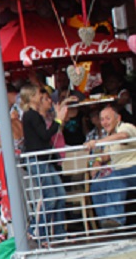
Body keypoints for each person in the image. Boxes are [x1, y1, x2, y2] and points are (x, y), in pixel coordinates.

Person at [20, 84, 71, 240]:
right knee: (50, 197)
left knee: (59, 193)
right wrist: (58, 120)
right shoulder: (31, 115)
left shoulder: (33, 115)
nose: (41, 96)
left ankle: (59, 232)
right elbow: (45, 134)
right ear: (31, 97)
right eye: (38, 94)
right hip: (38, 160)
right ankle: (39, 230)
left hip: (43, 160)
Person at [83, 104, 136, 228]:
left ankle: (115, 218)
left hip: (132, 167)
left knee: (116, 176)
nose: (104, 122)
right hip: (121, 172)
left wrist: (97, 142)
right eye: (102, 119)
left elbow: (123, 136)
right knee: (97, 185)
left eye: (108, 118)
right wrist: (96, 161)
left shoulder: (125, 127)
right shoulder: (109, 136)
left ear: (118, 118)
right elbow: (106, 156)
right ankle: (106, 224)